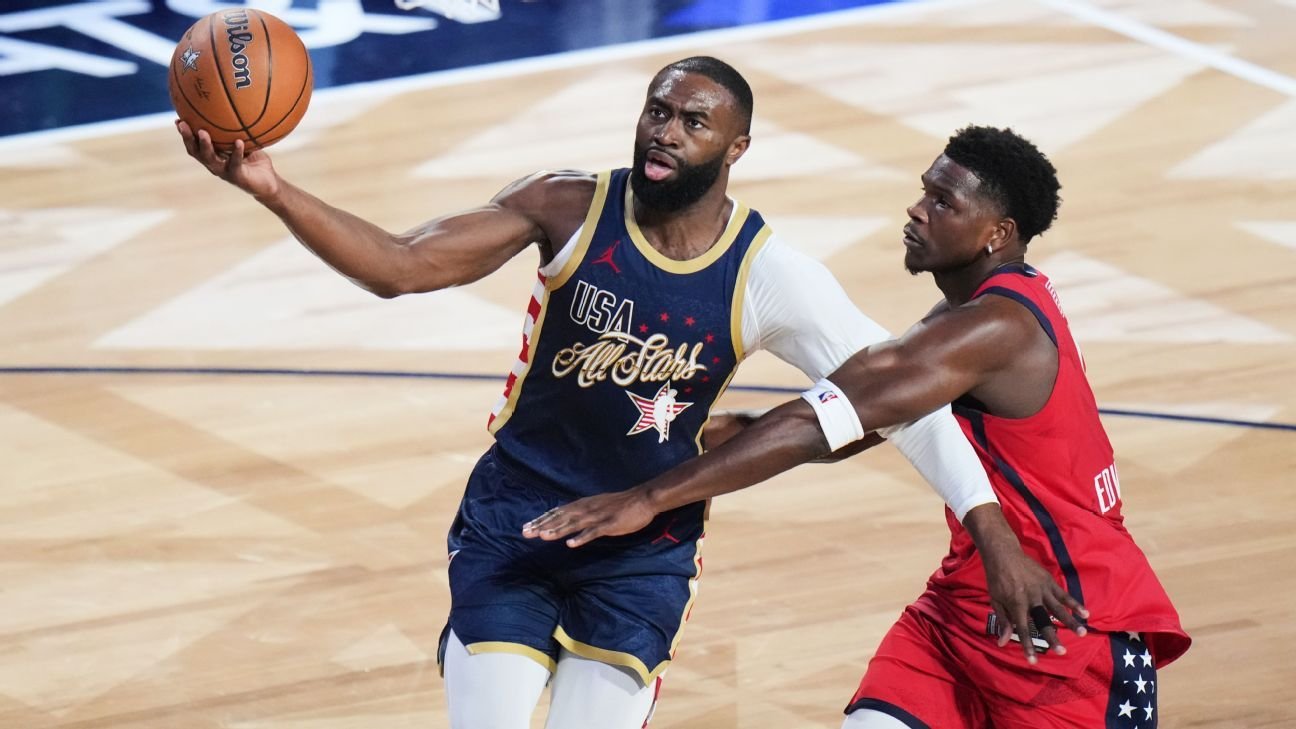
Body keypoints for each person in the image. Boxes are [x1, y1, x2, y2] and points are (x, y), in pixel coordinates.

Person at [178, 57, 1077, 729]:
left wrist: (991, 531)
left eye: (693, 122)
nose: (665, 132)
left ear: (736, 148)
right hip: (518, 515)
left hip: (644, 548)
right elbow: (401, 266)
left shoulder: (769, 274)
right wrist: (272, 188)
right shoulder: (566, 206)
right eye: (657, 111)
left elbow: (901, 402)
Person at [523, 126, 1191, 728]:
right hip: (965, 608)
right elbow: (870, 419)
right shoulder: (980, 315)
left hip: (1063, 620)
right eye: (925, 190)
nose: (917, 209)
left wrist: (649, 497)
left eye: (944, 202)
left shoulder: (994, 328)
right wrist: (724, 432)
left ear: (998, 232)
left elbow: (822, 422)